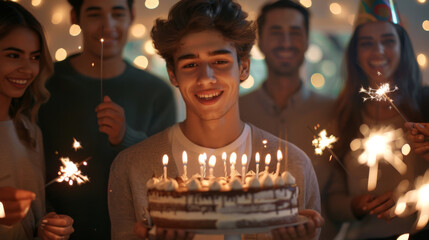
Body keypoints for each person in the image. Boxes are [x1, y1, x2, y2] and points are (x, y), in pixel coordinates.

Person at [108, 0, 323, 239]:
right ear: (173, 74)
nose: (205, 78)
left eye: (220, 61)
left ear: (244, 68)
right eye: (190, 64)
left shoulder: (293, 167)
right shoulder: (132, 168)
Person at [38, 0, 176, 238]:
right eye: (94, 14)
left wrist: (125, 137)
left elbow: (165, 177)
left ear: (131, 15)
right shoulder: (44, 84)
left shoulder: (156, 92)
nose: (107, 25)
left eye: (117, 13)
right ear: (74, 16)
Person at [327, 0, 429, 238]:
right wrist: (356, 205)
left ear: (402, 47)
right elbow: (331, 200)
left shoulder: (426, 104)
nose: (378, 51)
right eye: (367, 43)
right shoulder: (344, 114)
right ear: (355, 54)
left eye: (388, 41)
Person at [238, 1, 338, 239]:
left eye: (294, 33)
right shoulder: (235, 110)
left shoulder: (334, 112)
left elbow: (340, 192)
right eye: (275, 32)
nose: (285, 42)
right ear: (260, 41)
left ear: (306, 41)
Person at [0, 1, 74, 239]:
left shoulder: (28, 130)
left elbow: (33, 215)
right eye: (13, 55)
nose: (28, 69)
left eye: (34, 57)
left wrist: (49, 226)